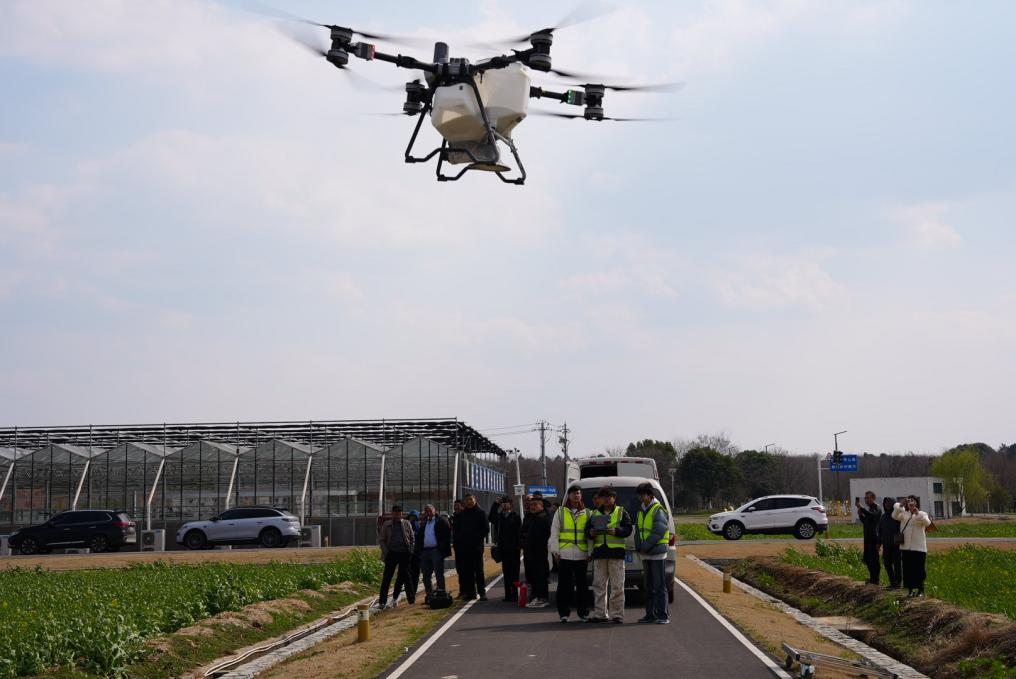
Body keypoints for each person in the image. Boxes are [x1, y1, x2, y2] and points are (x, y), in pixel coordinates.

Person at [585, 486, 632, 624]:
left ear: (614, 498)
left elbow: (628, 529)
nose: (605, 499)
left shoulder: (621, 511)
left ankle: (617, 615)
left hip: (616, 554)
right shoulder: (594, 513)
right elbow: (587, 530)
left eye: (608, 496)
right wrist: (591, 533)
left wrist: (616, 531)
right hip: (600, 553)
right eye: (603, 497)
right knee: (599, 585)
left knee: (617, 586)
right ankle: (600, 614)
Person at [550, 485, 591, 622]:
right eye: (573, 493)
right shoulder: (560, 512)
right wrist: (555, 551)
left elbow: (590, 537)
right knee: (564, 587)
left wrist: (590, 552)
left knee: (582, 587)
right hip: (564, 555)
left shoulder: (588, 513)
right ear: (569, 496)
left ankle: (583, 613)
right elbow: (554, 533)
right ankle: (564, 614)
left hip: (582, 555)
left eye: (578, 493)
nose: (576, 495)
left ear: (581, 496)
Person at [635, 482, 671, 624]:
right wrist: (639, 546)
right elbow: (638, 531)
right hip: (646, 553)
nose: (640, 497)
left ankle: (663, 615)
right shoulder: (641, 510)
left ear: (649, 495)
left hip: (657, 553)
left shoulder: (658, 509)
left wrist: (645, 546)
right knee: (648, 586)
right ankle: (650, 614)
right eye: (639, 495)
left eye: (642, 495)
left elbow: (659, 530)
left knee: (659, 586)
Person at [892, 496, 932, 597]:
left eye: (913, 501)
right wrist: (901, 504)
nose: (911, 503)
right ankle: (910, 590)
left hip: (919, 547)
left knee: (919, 569)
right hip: (906, 547)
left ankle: (921, 590)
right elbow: (894, 515)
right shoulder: (903, 514)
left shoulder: (922, 514)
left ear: (916, 503)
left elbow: (928, 523)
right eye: (909, 501)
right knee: (907, 569)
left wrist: (917, 513)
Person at [378, 504, 416, 608]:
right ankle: (382, 601)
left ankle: (411, 599)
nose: (397, 515)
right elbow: (381, 540)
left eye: (399, 513)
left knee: (406, 576)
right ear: (392, 513)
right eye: (395, 513)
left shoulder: (406, 523)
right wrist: (386, 552)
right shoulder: (387, 524)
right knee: (387, 577)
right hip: (391, 553)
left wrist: (410, 550)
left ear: (401, 514)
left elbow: (412, 537)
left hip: (404, 553)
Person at [454, 493, 490, 600]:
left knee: (479, 571)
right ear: (465, 502)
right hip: (465, 548)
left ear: (475, 500)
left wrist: (476, 538)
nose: (469, 502)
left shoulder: (481, 513)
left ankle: (482, 592)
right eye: (467, 500)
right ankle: (471, 593)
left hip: (476, 547)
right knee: (468, 571)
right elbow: (457, 529)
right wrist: (461, 539)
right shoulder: (462, 514)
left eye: (471, 499)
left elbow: (486, 529)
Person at [416, 504, 452, 603]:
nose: (428, 513)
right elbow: (419, 537)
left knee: (438, 573)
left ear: (434, 510)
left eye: (430, 510)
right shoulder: (424, 523)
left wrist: (442, 548)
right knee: (426, 576)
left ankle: (441, 594)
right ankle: (430, 596)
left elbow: (447, 535)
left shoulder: (441, 521)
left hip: (436, 550)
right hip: (425, 551)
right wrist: (420, 550)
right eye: (426, 511)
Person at [522, 495, 552, 608]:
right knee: (533, 576)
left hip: (539, 553)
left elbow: (545, 536)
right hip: (531, 552)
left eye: (535, 505)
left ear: (541, 506)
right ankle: (536, 598)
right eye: (531, 505)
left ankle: (542, 599)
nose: (532, 507)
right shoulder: (532, 517)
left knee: (540, 576)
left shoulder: (543, 518)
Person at [492, 496, 522, 601]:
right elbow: (491, 517)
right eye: (503, 503)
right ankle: (508, 595)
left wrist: (519, 545)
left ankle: (515, 594)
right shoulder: (499, 517)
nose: (504, 504)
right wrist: (495, 504)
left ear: (511, 505)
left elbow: (520, 532)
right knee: (506, 572)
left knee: (515, 573)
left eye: (507, 503)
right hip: (503, 549)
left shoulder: (516, 517)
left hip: (514, 549)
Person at [855, 491, 882, 585]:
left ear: (873, 498)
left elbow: (872, 516)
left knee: (874, 559)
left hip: (874, 538)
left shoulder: (877, 508)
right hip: (867, 538)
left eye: (868, 498)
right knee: (868, 559)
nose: (866, 500)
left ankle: (876, 579)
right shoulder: (870, 509)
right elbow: (866, 521)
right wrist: (860, 514)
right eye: (865, 498)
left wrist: (861, 508)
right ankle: (872, 578)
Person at [878, 496, 902, 589]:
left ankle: (898, 583)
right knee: (887, 564)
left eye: (889, 502)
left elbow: (901, 529)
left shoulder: (897, 516)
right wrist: (879, 543)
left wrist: (899, 541)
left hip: (896, 545)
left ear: (894, 504)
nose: (887, 504)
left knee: (897, 565)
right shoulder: (883, 517)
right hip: (886, 545)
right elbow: (880, 531)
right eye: (886, 502)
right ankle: (892, 582)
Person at [451, 498, 466, 593]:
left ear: (462, 507)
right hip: (457, 547)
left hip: (465, 547)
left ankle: (468, 590)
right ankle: (462, 590)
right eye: (455, 506)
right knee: (459, 570)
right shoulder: (454, 517)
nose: (456, 508)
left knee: (466, 570)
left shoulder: (465, 517)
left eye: (458, 506)